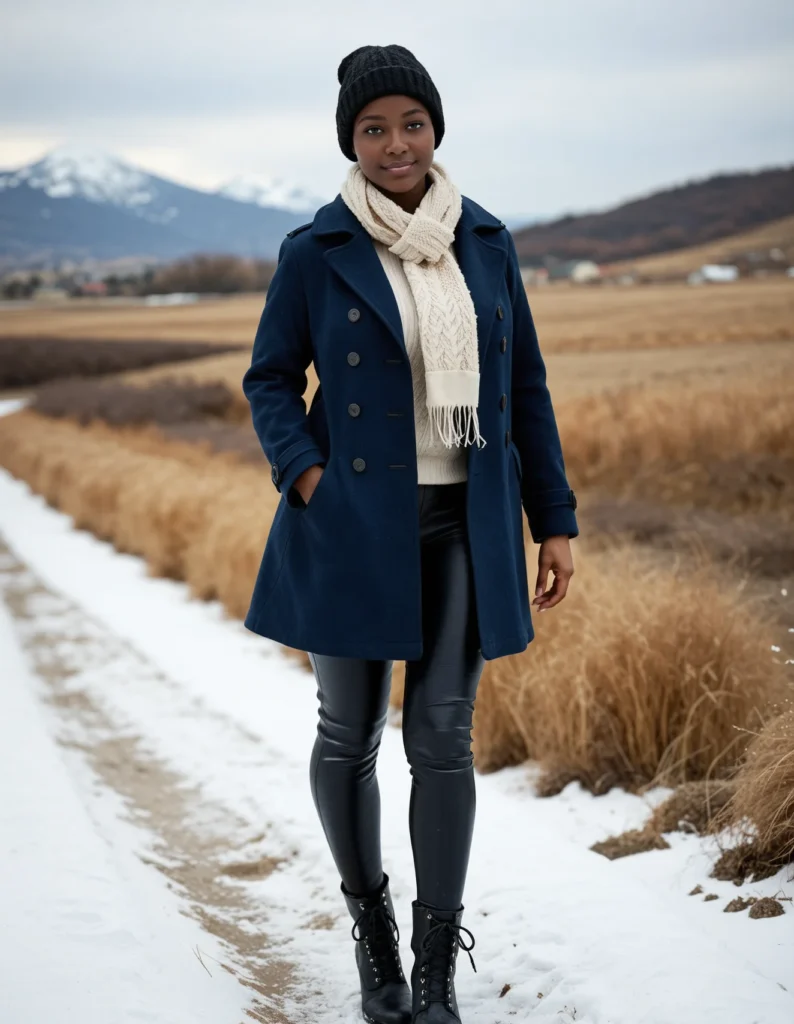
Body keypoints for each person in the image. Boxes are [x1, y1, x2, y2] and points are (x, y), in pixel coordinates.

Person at [242, 43, 579, 1024]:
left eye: (411, 123)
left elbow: (523, 390)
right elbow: (271, 378)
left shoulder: (485, 240)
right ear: (350, 141)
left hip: (464, 525)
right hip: (349, 525)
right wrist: (305, 474)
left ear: (436, 130)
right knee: (347, 736)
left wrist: (550, 521)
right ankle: (373, 937)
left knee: (440, 739)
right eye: (373, 128)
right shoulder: (318, 251)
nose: (396, 144)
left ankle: (430, 977)